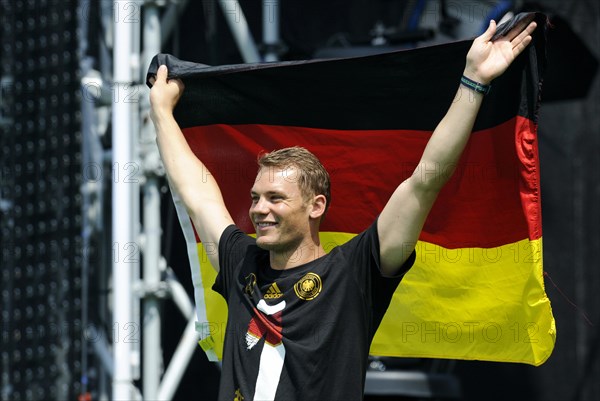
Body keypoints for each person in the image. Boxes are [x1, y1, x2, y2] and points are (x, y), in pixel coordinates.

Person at [149, 16, 537, 401]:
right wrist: (162, 113)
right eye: (255, 197)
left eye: (275, 198)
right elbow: (197, 194)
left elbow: (425, 180)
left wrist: (473, 81)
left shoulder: (354, 273)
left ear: (316, 206)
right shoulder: (240, 263)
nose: (258, 210)